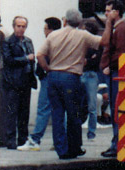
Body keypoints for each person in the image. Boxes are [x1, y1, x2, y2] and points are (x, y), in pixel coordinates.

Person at [35, 9, 100, 160]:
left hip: (53, 76)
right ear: (79, 22)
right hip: (70, 77)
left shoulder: (53, 34)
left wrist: (47, 68)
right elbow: (101, 42)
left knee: (57, 114)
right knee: (73, 113)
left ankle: (61, 149)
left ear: (65, 21)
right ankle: (74, 147)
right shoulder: (82, 34)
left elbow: (39, 54)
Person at [17, 18, 61, 151]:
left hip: (48, 78)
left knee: (43, 108)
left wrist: (44, 69)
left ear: (50, 29)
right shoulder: (62, 41)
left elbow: (41, 56)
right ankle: (61, 140)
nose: (44, 31)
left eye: (45, 28)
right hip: (60, 78)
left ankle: (35, 140)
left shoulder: (50, 42)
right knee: (59, 109)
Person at [0, 16, 38, 149]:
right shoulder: (8, 41)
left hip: (26, 80)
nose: (21, 29)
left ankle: (23, 139)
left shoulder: (28, 41)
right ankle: (10, 140)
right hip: (13, 81)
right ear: (13, 26)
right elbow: (9, 60)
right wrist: (26, 58)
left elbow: (33, 58)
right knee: (12, 112)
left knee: (24, 112)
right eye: (18, 26)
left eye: (23, 26)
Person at [98, 0, 125, 158]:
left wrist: (110, 66)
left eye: (108, 10)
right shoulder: (115, 27)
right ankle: (116, 143)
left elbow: (121, 52)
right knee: (114, 108)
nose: (106, 13)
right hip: (112, 72)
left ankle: (117, 144)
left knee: (116, 108)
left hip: (116, 73)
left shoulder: (121, 29)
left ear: (116, 12)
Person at [81, 17, 103, 141]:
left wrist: (87, 60)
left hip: (88, 74)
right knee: (91, 105)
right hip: (89, 74)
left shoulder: (94, 44)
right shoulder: (94, 45)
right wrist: (90, 59)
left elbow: (95, 60)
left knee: (91, 105)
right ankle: (91, 132)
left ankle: (91, 132)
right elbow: (93, 59)